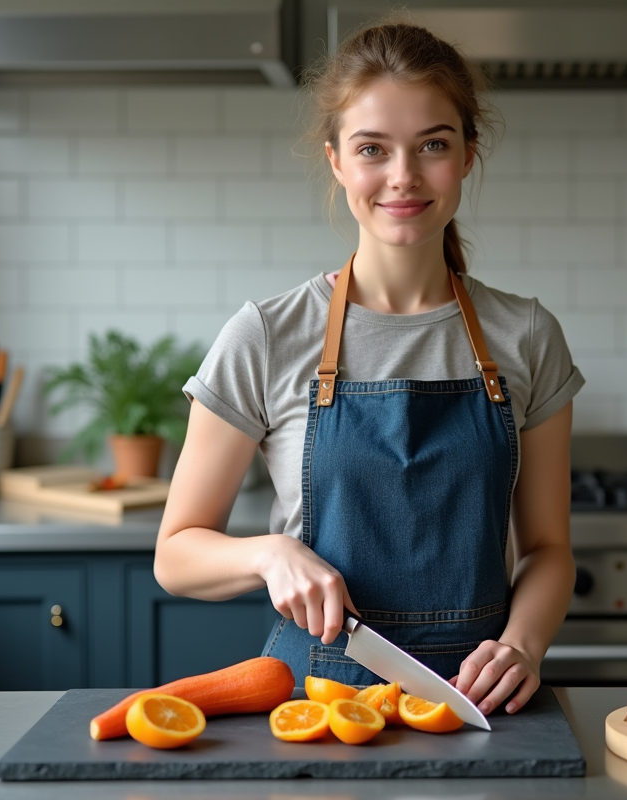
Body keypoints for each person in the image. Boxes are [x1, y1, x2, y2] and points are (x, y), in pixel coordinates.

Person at [154, 22, 583, 717]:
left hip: (474, 706)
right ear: (337, 161)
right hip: (315, 706)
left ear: (467, 155)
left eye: (433, 145)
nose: (403, 175)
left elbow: (547, 549)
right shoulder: (266, 335)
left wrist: (523, 646)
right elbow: (175, 555)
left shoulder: (527, 335)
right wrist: (268, 555)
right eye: (372, 149)